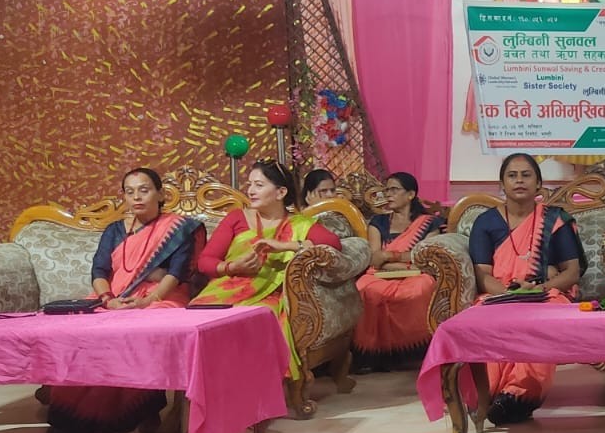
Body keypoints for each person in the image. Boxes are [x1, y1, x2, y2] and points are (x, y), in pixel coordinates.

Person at [42, 168, 207, 433]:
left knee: (145, 327)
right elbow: (99, 271)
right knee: (82, 328)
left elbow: (177, 274)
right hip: (114, 297)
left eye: (144, 190)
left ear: (160, 194)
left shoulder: (179, 229)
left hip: (162, 297)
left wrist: (146, 300)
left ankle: (146, 406)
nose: (136, 197)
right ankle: (74, 408)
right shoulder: (114, 230)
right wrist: (107, 299)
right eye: (130, 192)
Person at [190, 159, 344, 381]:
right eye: (250, 184)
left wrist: (286, 246)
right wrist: (232, 266)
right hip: (226, 290)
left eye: (259, 185)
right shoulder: (237, 218)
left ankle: (253, 388)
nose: (250, 191)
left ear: (281, 192)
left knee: (260, 318)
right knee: (198, 317)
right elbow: (205, 261)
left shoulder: (299, 224)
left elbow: (333, 244)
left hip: (270, 294)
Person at [467, 154, 586, 426]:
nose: (519, 180)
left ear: (539, 184)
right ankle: (489, 393)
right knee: (482, 319)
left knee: (545, 320)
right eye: (512, 175)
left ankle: (519, 395)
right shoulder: (485, 222)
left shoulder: (555, 220)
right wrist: (509, 295)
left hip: (544, 295)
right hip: (499, 295)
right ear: (502, 184)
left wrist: (535, 290)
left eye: (526, 175)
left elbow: (571, 272)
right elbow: (482, 274)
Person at [352, 172, 444, 373]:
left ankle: (414, 354)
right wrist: (404, 262)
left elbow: (424, 256)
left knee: (421, 288)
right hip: (381, 274)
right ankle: (372, 356)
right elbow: (375, 258)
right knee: (363, 287)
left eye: (394, 190)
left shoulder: (429, 223)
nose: (388, 194)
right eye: (386, 190)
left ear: (410, 194)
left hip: (417, 275)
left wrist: (390, 255)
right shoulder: (378, 222)